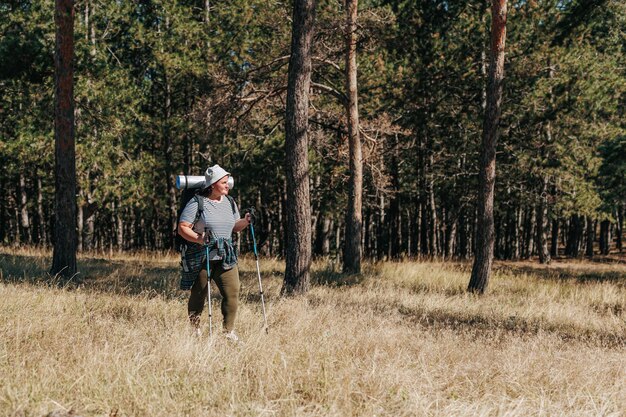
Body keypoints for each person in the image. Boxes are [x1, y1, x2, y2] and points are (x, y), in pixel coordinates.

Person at [177, 164, 252, 341]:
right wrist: (200, 239)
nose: (228, 185)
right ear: (213, 184)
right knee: (199, 294)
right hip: (203, 255)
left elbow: (235, 227)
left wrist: (246, 221)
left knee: (233, 291)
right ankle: (195, 329)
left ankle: (228, 331)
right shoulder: (197, 202)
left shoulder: (230, 202)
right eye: (224, 182)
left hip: (225, 254)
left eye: (227, 182)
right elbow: (182, 228)